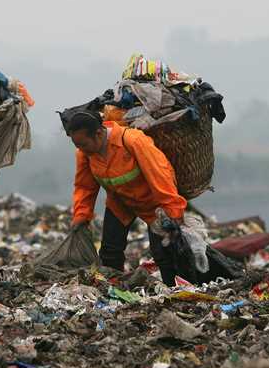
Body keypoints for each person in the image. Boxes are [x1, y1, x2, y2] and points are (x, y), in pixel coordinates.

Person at [67, 111, 187, 286]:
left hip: (154, 205)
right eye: (77, 145)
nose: (81, 149)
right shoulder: (85, 153)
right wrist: (81, 217)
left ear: (99, 134)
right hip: (121, 203)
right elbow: (85, 187)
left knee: (163, 253)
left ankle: (172, 289)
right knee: (109, 251)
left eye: (83, 144)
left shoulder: (132, 141)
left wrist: (173, 211)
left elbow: (160, 175)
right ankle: (113, 290)